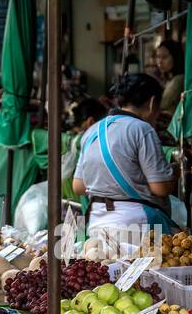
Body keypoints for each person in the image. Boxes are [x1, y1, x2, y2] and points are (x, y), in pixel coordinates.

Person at [72, 73, 176, 249]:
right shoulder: (142, 129)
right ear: (152, 103)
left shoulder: (92, 131)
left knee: (106, 273)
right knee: (144, 276)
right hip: (137, 225)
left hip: (98, 224)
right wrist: (174, 172)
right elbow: (160, 188)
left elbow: (79, 186)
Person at [154, 38, 184, 120]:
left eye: (164, 57)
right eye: (158, 57)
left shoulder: (179, 79)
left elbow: (162, 104)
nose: (159, 62)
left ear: (175, 57)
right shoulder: (166, 79)